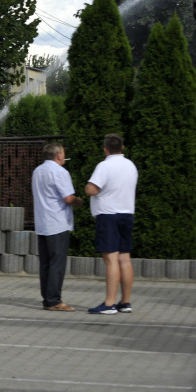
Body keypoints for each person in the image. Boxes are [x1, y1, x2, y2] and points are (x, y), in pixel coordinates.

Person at [85, 133, 139, 315]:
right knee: (125, 258)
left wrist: (89, 189)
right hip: (127, 213)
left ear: (105, 149)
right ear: (122, 147)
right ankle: (125, 302)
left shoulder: (105, 165)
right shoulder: (130, 165)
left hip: (108, 215)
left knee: (111, 259)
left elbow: (91, 189)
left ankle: (109, 303)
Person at [31, 142, 83, 312]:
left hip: (42, 222)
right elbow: (68, 198)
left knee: (46, 263)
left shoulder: (37, 171)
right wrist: (79, 201)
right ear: (59, 155)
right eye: (63, 152)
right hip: (57, 222)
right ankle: (54, 300)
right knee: (57, 263)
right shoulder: (60, 172)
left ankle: (47, 298)